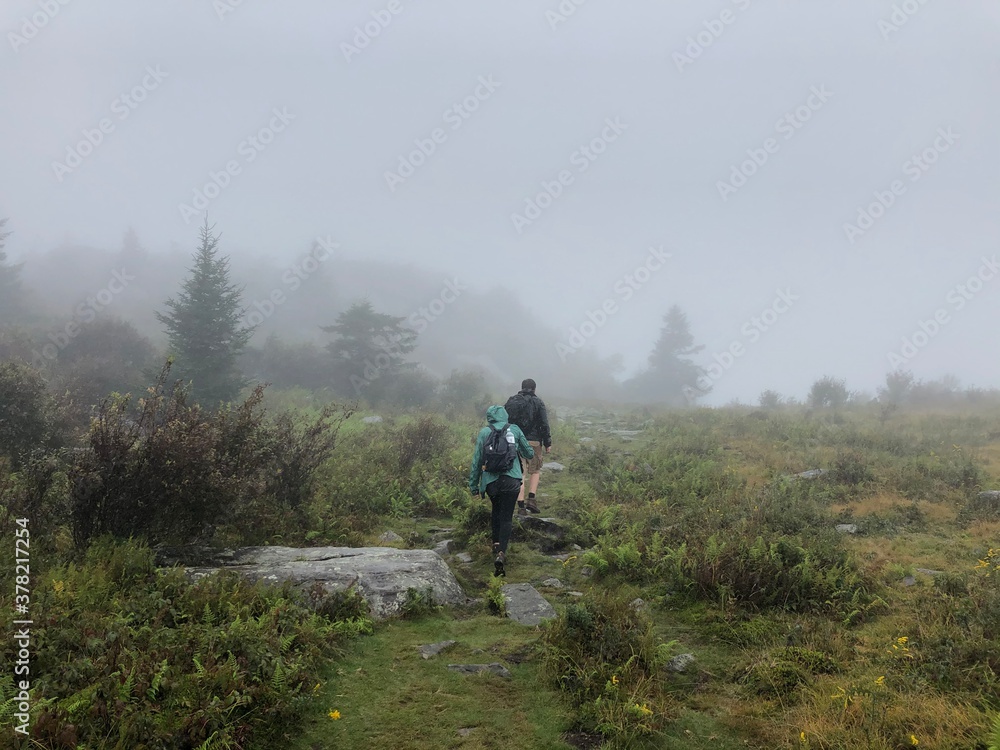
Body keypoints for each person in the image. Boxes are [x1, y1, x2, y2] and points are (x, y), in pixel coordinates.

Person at [468, 405, 534, 577]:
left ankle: (495, 545)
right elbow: (529, 452)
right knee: (506, 516)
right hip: (512, 482)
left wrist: (474, 486)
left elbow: (476, 461)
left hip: (491, 483)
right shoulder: (515, 430)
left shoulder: (484, 433)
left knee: (496, 511)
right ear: (505, 415)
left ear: (489, 417)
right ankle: (501, 553)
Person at [504, 378, 552, 514]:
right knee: (535, 470)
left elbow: (504, 420)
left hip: (515, 440)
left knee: (520, 473)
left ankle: (520, 507)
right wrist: (548, 442)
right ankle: (531, 499)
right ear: (534, 389)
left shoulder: (512, 401)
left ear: (522, 387)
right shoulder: (538, 402)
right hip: (534, 441)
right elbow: (544, 423)